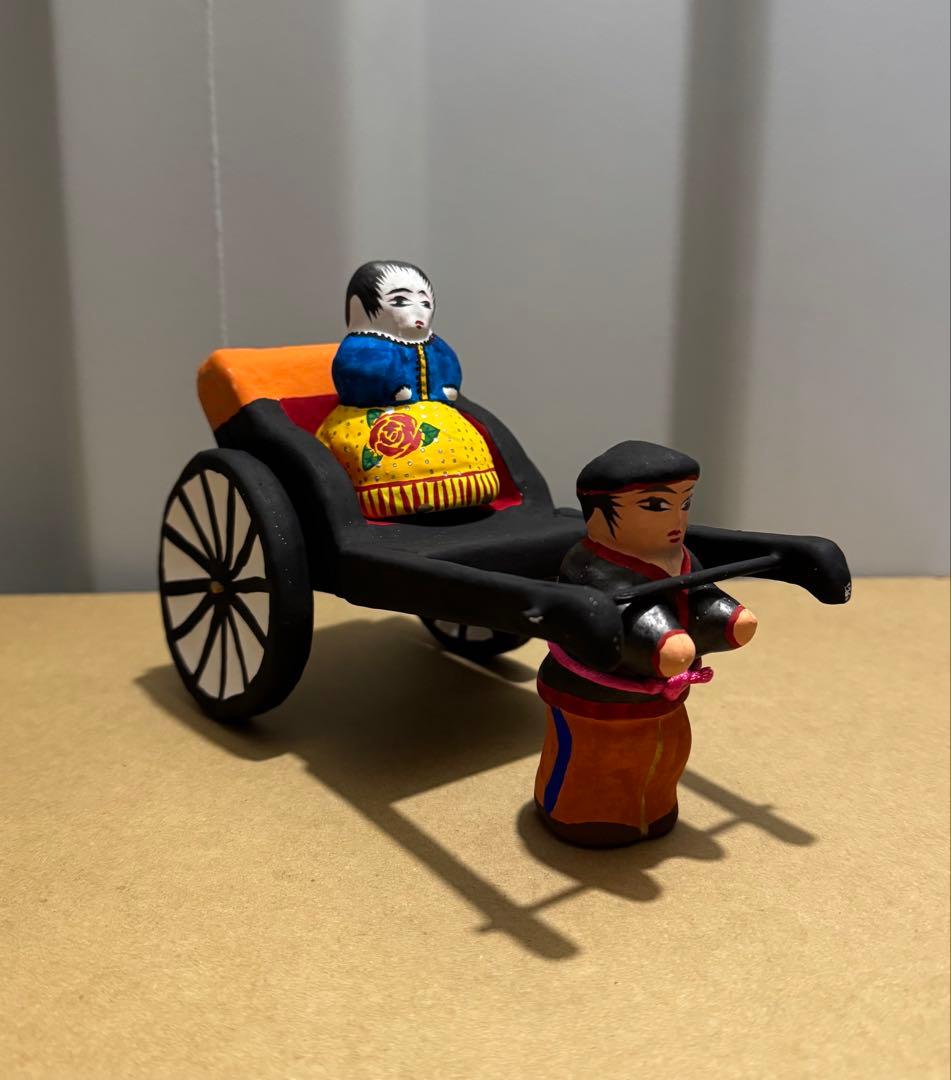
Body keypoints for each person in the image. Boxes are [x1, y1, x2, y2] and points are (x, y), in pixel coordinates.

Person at [534, 440, 758, 847]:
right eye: (656, 505)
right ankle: (581, 818)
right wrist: (665, 643)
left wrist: (728, 620)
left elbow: (701, 596)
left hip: (661, 696)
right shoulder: (589, 564)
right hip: (595, 701)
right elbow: (625, 619)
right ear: (598, 513)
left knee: (667, 756)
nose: (677, 518)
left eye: (684, 503)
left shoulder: (679, 556)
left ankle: (653, 813)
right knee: (598, 763)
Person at [317, 261, 500, 518]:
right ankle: (395, 496)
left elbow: (448, 365)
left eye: (425, 302)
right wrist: (386, 390)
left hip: (437, 412)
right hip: (371, 415)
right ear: (361, 307)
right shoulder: (362, 347)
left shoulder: (434, 344)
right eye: (401, 301)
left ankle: (467, 487)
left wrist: (445, 387)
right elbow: (357, 373)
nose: (418, 310)